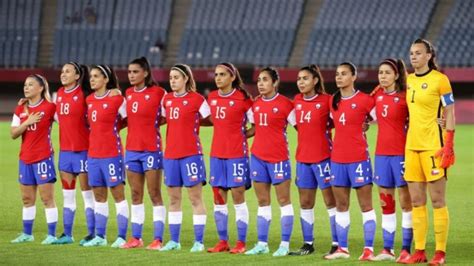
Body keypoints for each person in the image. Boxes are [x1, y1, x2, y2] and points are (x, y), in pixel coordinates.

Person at [403, 39, 456, 265]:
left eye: (418, 53)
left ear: (428, 56)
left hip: (433, 148)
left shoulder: (440, 80)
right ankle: (420, 250)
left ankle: (440, 253)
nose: (413, 57)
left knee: (437, 201)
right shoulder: (409, 80)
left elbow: (450, 112)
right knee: (416, 201)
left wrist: (449, 144)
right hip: (411, 147)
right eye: (412, 53)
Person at [324, 62, 376, 261]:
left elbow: (379, 118)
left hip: (359, 159)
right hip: (337, 159)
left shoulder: (366, 100)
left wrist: (367, 124)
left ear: (354, 77)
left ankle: (369, 249)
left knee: (366, 205)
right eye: (337, 74)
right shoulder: (332, 101)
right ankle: (342, 249)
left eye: (344, 74)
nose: (339, 77)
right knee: (341, 204)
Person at [245, 67, 295, 257]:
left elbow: (302, 128)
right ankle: (262, 244)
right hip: (257, 157)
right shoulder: (255, 105)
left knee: (284, 201)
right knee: (263, 202)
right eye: (259, 80)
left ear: (275, 83)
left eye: (265, 80)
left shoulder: (285, 104)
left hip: (279, 158)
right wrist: (236, 135)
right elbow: (254, 130)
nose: (261, 84)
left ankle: (284, 244)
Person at [159, 64, 210, 253]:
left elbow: (211, 119)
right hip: (171, 155)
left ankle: (199, 241)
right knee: (173, 200)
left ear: (186, 79)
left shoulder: (197, 99)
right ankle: (174, 241)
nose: (172, 80)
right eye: (171, 77)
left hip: (191, 156)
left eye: (176, 77)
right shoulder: (167, 100)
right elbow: (164, 120)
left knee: (195, 198)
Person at [289, 64, 338, 256]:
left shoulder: (327, 100)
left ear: (315, 80)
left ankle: (336, 243)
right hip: (303, 159)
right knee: (305, 202)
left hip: (324, 158)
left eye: (305, 78)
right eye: (299, 79)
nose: (301, 82)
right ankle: (307, 244)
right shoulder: (297, 101)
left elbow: (339, 123)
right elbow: (298, 126)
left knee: (330, 202)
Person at [206, 63, 254, 254]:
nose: (218, 78)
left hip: (237, 156)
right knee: (218, 198)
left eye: (223, 74)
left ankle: (241, 243)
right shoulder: (212, 98)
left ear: (232, 77)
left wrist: (241, 136)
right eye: (216, 74)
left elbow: (256, 126)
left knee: (238, 197)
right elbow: (210, 119)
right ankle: (222, 241)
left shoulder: (243, 99)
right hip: (217, 155)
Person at [121, 57, 167, 250]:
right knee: (135, 193)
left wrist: (151, 127)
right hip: (131, 150)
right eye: (129, 72)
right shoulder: (128, 93)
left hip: (151, 150)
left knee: (154, 193)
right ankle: (136, 238)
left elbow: (165, 116)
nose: (131, 75)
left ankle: (158, 239)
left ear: (145, 73)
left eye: (135, 72)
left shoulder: (159, 93)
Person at [370, 59, 413, 262]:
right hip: (381, 155)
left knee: (406, 203)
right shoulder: (376, 95)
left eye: (387, 73)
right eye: (380, 73)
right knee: (386, 204)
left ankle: (406, 249)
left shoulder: (406, 96)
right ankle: (388, 249)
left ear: (396, 75)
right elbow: (365, 116)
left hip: (402, 155)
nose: (383, 76)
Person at [82, 65, 129, 248]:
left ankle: (121, 236)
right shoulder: (89, 100)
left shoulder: (117, 99)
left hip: (112, 154)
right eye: (91, 76)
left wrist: (113, 131)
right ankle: (100, 237)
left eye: (96, 76)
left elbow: (128, 119)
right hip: (93, 155)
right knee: (99, 197)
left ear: (106, 79)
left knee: (118, 195)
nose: (92, 79)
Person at [10, 74, 58, 244]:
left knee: (47, 199)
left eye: (31, 84)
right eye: (25, 84)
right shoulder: (21, 109)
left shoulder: (50, 107)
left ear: (41, 88)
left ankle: (51, 235)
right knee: (27, 199)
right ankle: (27, 234)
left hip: (43, 158)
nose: (26, 87)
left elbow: (67, 122)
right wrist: (27, 122)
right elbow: (13, 134)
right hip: (25, 159)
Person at [52, 62, 96, 245]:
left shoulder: (86, 95)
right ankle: (67, 235)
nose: (63, 74)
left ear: (77, 76)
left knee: (88, 195)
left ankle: (93, 234)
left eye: (67, 71)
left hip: (84, 151)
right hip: (65, 153)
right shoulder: (59, 94)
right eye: (62, 71)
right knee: (67, 195)